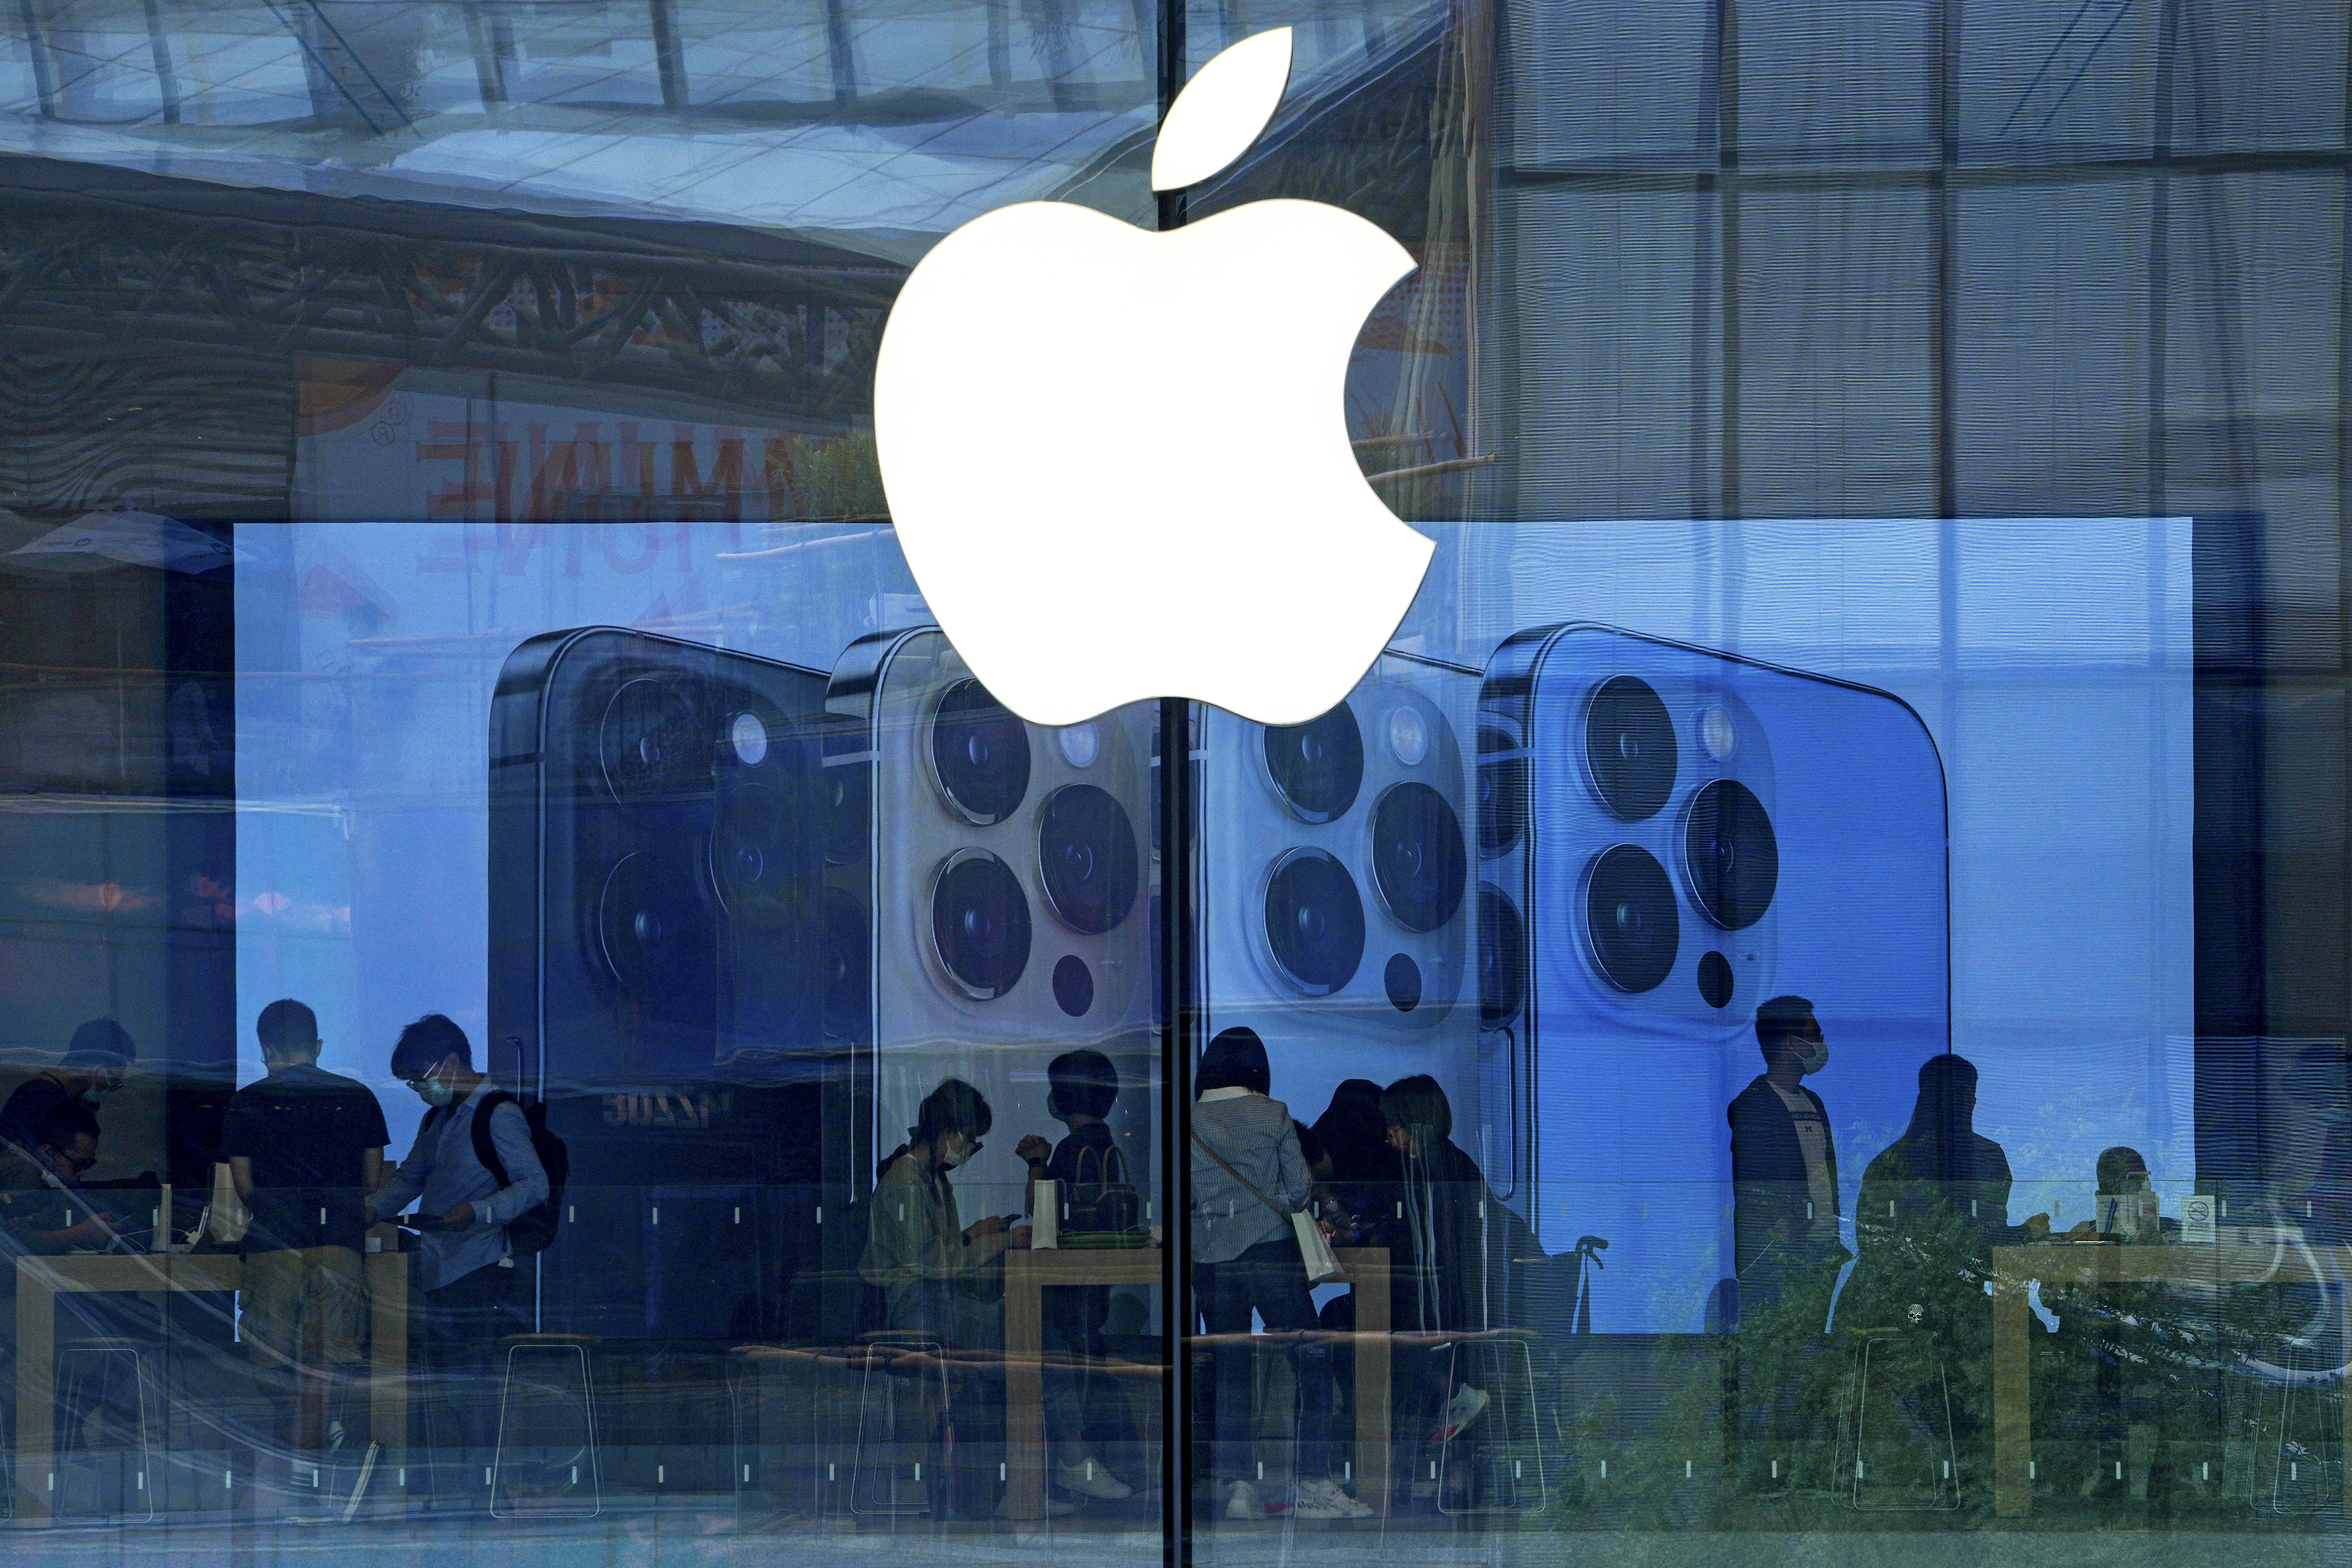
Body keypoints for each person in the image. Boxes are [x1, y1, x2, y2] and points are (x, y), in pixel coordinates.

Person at [864, 1078, 1127, 1516]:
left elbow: (940, 1253)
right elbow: (935, 1264)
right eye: (969, 1140)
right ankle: (1067, 1460)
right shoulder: (908, 1181)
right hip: (917, 1305)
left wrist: (979, 1237)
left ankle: (1028, 1479)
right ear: (949, 1131)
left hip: (932, 1297)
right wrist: (1003, 1241)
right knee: (1032, 1338)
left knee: (1029, 1341)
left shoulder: (931, 1179)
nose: (968, 1150)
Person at [1189, 1027, 1370, 1522]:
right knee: (1311, 1362)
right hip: (1270, 1254)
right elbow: (1295, 1194)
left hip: (1211, 1261)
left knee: (1229, 1373)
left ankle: (1237, 1488)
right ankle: (1312, 1478)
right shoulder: (1272, 1115)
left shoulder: (1189, 1122)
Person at [367, 1013, 548, 1489]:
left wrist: (480, 1212)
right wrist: (368, 1210)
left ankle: (483, 1483)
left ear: (451, 1063)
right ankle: (469, 1483)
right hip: (440, 1267)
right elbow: (411, 1177)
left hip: (481, 1266)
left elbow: (535, 1185)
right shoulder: (440, 1117)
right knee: (453, 1384)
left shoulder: (498, 1114)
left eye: (420, 1080)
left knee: (473, 1385)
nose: (419, 1091)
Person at [218, 999, 389, 1454]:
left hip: (274, 1244)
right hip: (340, 1244)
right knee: (333, 1357)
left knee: (270, 1359)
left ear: (267, 1049)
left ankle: (296, 1445)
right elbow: (372, 1180)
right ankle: (320, 1435)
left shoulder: (247, 1101)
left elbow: (244, 1184)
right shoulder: (358, 1096)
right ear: (317, 1045)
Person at [1014, 1050, 1139, 1478]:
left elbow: (1041, 1215)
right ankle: (1114, 1464)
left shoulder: (1070, 1149)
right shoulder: (1107, 1142)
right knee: (1092, 1359)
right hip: (1100, 1272)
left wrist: (1035, 1165)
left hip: (1069, 1280)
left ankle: (1082, 1465)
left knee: (1072, 1363)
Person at [1727, 996, 1851, 1317]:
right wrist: (1784, 1244)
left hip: (1824, 1250)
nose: (1821, 1044)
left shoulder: (1815, 1102)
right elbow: (1756, 1191)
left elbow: (1825, 1174)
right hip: (1782, 1258)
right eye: (1814, 1035)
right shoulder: (1752, 1106)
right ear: (1788, 1043)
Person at [0, 1019, 135, 1157]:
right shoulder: (42, 1101)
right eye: (112, 1081)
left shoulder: (42, 1094)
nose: (110, 1089)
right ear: (97, 1070)